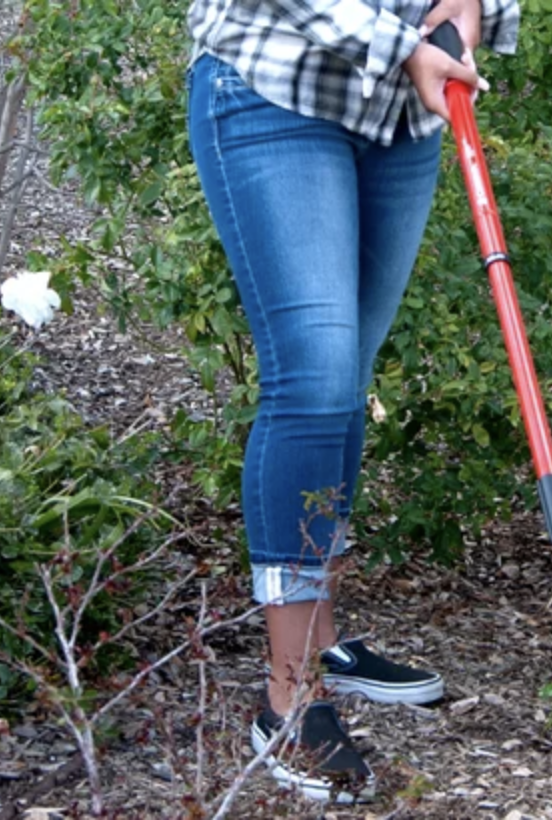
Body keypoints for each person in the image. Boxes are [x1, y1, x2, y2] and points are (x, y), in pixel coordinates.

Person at [185, 0, 519, 803]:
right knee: (313, 379)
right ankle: (290, 698)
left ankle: (326, 641)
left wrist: (470, 7)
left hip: (401, 119)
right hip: (273, 89)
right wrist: (398, 45)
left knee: (345, 381)